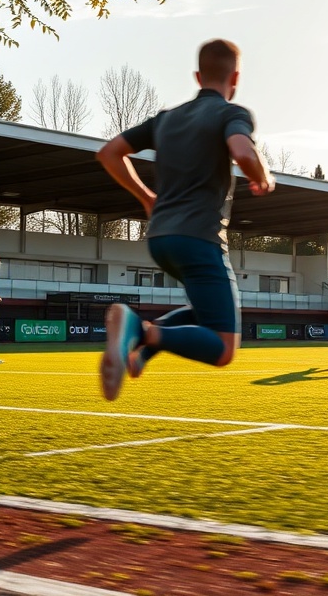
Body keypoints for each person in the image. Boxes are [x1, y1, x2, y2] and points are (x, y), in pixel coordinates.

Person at [95, 38, 274, 401]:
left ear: (197, 75)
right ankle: (139, 331)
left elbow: (110, 153)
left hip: (161, 238)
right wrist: (262, 176)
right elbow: (242, 150)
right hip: (200, 238)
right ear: (235, 78)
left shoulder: (166, 119)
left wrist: (146, 197)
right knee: (223, 348)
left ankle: (143, 347)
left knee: (209, 310)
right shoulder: (231, 113)